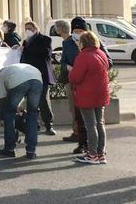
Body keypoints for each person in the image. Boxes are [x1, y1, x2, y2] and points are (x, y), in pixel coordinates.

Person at [69, 30, 111, 164]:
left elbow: (75, 77)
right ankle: (101, 153)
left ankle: (92, 154)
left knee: (90, 125)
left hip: (87, 94)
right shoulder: (101, 53)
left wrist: (70, 71)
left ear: (83, 43)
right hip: (101, 92)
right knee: (100, 123)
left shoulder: (83, 56)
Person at [0, 62, 43, 159]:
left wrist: (4, 111)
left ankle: (9, 148)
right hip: (37, 78)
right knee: (32, 114)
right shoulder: (10, 69)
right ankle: (31, 151)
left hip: (18, 80)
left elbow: (0, 102)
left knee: (9, 114)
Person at [20, 20, 56, 135]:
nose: (28, 31)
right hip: (29, 75)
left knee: (43, 100)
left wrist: (25, 49)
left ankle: (49, 125)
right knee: (31, 101)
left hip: (42, 75)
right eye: (26, 29)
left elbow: (45, 52)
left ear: (36, 29)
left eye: (30, 28)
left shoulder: (45, 39)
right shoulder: (25, 42)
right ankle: (34, 124)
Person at [62, 17, 88, 154]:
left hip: (88, 82)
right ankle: (77, 133)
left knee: (89, 113)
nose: (78, 33)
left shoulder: (93, 42)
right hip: (72, 80)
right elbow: (63, 61)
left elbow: (108, 61)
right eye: (75, 31)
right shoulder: (67, 43)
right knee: (74, 109)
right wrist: (67, 67)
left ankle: (92, 142)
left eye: (80, 31)